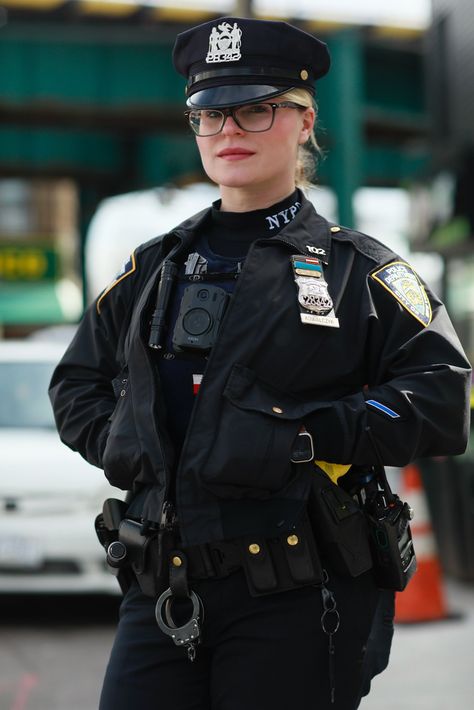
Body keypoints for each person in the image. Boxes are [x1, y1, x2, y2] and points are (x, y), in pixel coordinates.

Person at [49, 16, 471, 710]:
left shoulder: (359, 271)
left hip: (298, 595)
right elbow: (76, 385)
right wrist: (127, 442)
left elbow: (439, 398)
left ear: (304, 122)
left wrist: (306, 438)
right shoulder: (151, 268)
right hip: (162, 586)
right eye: (209, 115)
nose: (228, 131)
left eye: (255, 109)